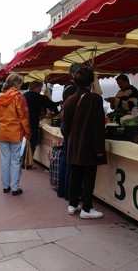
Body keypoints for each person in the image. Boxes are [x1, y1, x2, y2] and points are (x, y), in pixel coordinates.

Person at [62, 66, 106, 219]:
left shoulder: (69, 100)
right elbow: (99, 125)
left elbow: (65, 127)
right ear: (91, 80)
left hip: (73, 144)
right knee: (88, 176)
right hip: (88, 145)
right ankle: (87, 208)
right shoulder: (95, 99)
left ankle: (72, 205)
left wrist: (72, 138)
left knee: (75, 174)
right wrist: (99, 147)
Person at [0, 74, 31, 196]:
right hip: (16, 133)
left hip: (4, 132)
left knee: (5, 161)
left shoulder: (1, 98)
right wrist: (27, 132)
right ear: (16, 83)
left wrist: (4, 124)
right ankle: (15, 188)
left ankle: (5, 186)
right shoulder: (19, 97)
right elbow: (24, 117)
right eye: (20, 83)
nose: (21, 85)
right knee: (15, 161)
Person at [58, 62, 83, 199]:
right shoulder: (73, 88)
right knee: (69, 160)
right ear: (74, 73)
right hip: (70, 125)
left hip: (65, 124)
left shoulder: (67, 87)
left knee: (65, 158)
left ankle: (63, 190)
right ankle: (68, 192)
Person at [23, 80, 59, 156]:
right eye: (40, 87)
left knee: (25, 140)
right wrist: (59, 102)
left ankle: (23, 159)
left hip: (24, 121)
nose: (40, 89)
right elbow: (49, 104)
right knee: (32, 140)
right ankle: (29, 160)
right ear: (35, 87)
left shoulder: (24, 95)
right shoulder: (37, 96)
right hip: (33, 121)